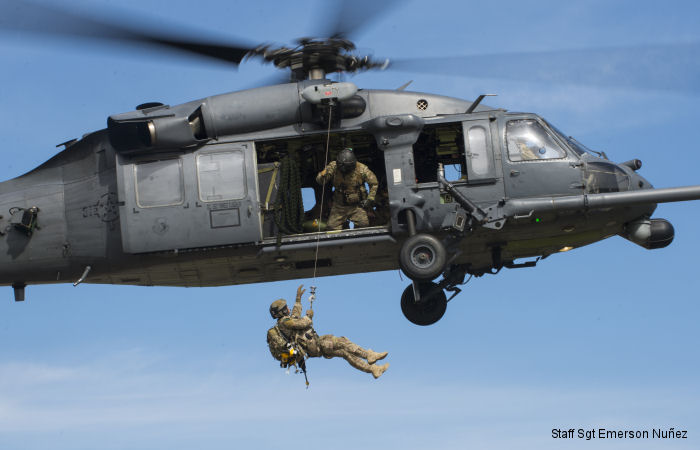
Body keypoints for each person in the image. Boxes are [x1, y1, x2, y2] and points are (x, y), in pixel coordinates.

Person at [267, 285, 389, 379]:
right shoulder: (285, 322)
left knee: (345, 354)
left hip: (314, 346)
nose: (288, 308)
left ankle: (372, 369)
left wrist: (298, 299)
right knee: (341, 342)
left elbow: (295, 314)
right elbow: (302, 323)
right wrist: (309, 317)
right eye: (286, 307)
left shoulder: (285, 321)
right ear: (283, 311)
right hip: (314, 345)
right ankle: (368, 355)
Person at [315, 148, 379, 231]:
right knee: (331, 228)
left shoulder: (362, 169)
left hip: (357, 206)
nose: (344, 169)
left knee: (363, 225)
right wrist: (323, 175)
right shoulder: (333, 166)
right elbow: (319, 180)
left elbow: (374, 183)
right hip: (339, 206)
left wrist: (370, 199)